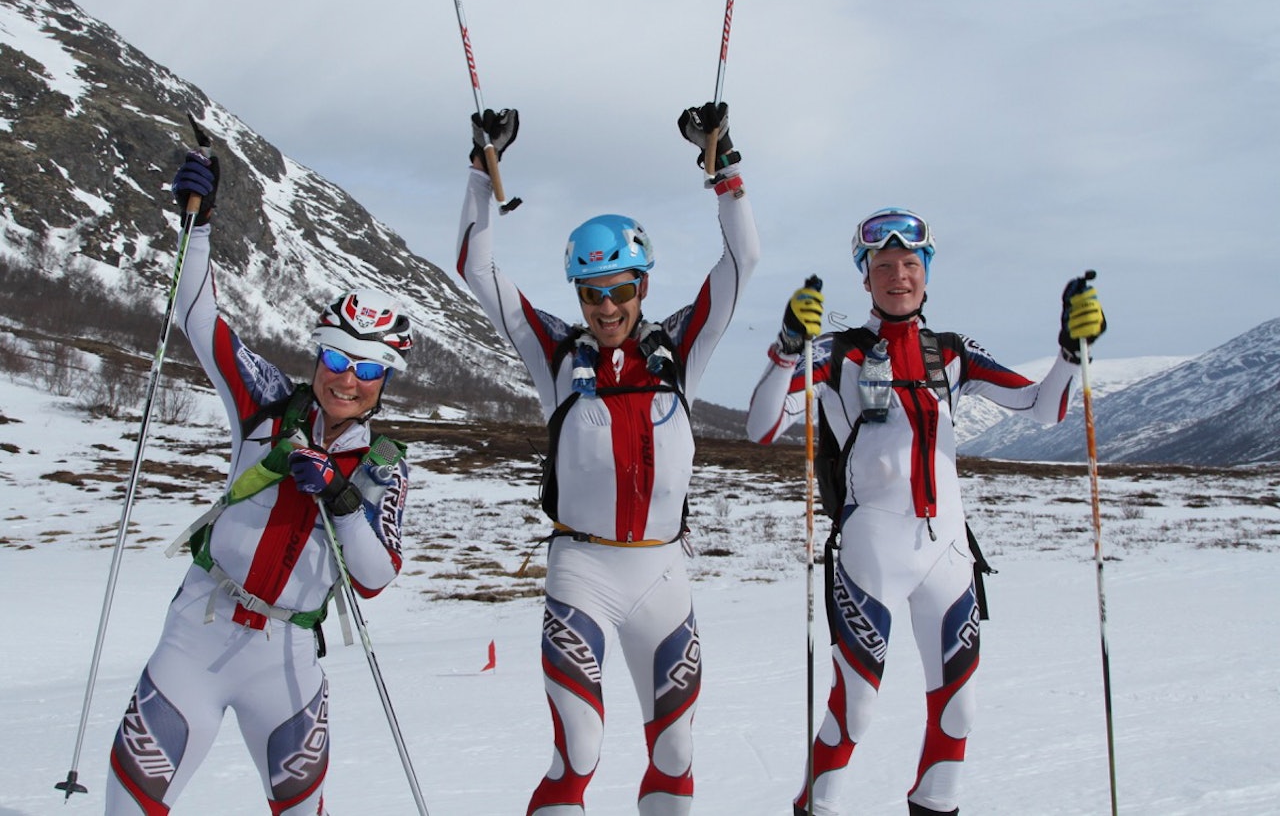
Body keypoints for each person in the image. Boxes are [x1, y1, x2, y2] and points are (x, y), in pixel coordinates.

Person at [745, 208, 1106, 816]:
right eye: (883, 265)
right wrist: (787, 351)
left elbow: (1043, 409)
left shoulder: (952, 353)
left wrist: (1071, 353)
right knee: (856, 705)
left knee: (959, 705)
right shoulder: (838, 352)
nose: (898, 276)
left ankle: (935, 806)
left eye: (910, 264)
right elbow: (761, 426)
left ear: (927, 272)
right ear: (864, 277)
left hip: (947, 553)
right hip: (870, 553)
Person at [456, 102, 760, 815]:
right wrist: (482, 166)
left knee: (676, 748)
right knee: (580, 748)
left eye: (621, 289)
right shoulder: (557, 354)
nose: (606, 306)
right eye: (593, 294)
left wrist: (725, 166)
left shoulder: (679, 351)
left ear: (642, 285)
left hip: (661, 572)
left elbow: (742, 260)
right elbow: (477, 267)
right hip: (583, 572)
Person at [105, 150, 413, 815]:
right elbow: (200, 321)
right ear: (318, 355)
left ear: (384, 380)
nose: (346, 378)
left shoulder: (385, 464)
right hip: (201, 629)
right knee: (129, 804)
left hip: (288, 657)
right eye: (335, 357)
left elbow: (376, 574)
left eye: (366, 368)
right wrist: (200, 227)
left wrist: (337, 492)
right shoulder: (267, 400)